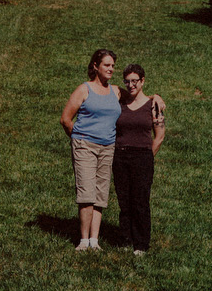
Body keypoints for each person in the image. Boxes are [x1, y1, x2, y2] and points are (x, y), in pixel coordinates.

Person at [60, 49, 121, 252]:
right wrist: (79, 140)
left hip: (107, 147)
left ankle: (95, 241)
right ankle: (83, 240)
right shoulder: (84, 89)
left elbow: (139, 95)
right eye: (107, 65)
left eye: (113, 65)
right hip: (85, 146)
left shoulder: (116, 91)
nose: (111, 69)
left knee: (100, 194)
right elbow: (66, 119)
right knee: (86, 192)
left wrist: (155, 97)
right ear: (95, 66)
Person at [113, 63, 165, 255]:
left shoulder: (153, 105)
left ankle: (141, 243)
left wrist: (146, 157)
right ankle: (125, 239)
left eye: (135, 81)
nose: (131, 85)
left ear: (143, 81)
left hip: (142, 156)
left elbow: (159, 136)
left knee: (140, 200)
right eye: (127, 81)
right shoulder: (120, 102)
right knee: (124, 200)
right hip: (120, 156)